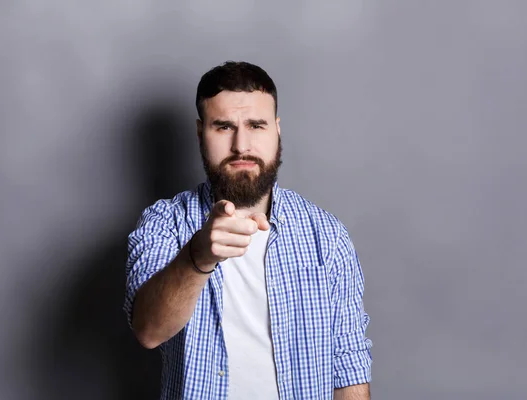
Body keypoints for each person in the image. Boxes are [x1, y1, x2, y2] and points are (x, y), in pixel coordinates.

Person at [124, 61, 372, 399]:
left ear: (277, 130)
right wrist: (197, 258)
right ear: (200, 133)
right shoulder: (166, 223)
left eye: (256, 125)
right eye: (224, 127)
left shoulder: (326, 236)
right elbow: (148, 331)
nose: (242, 145)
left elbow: (349, 364)